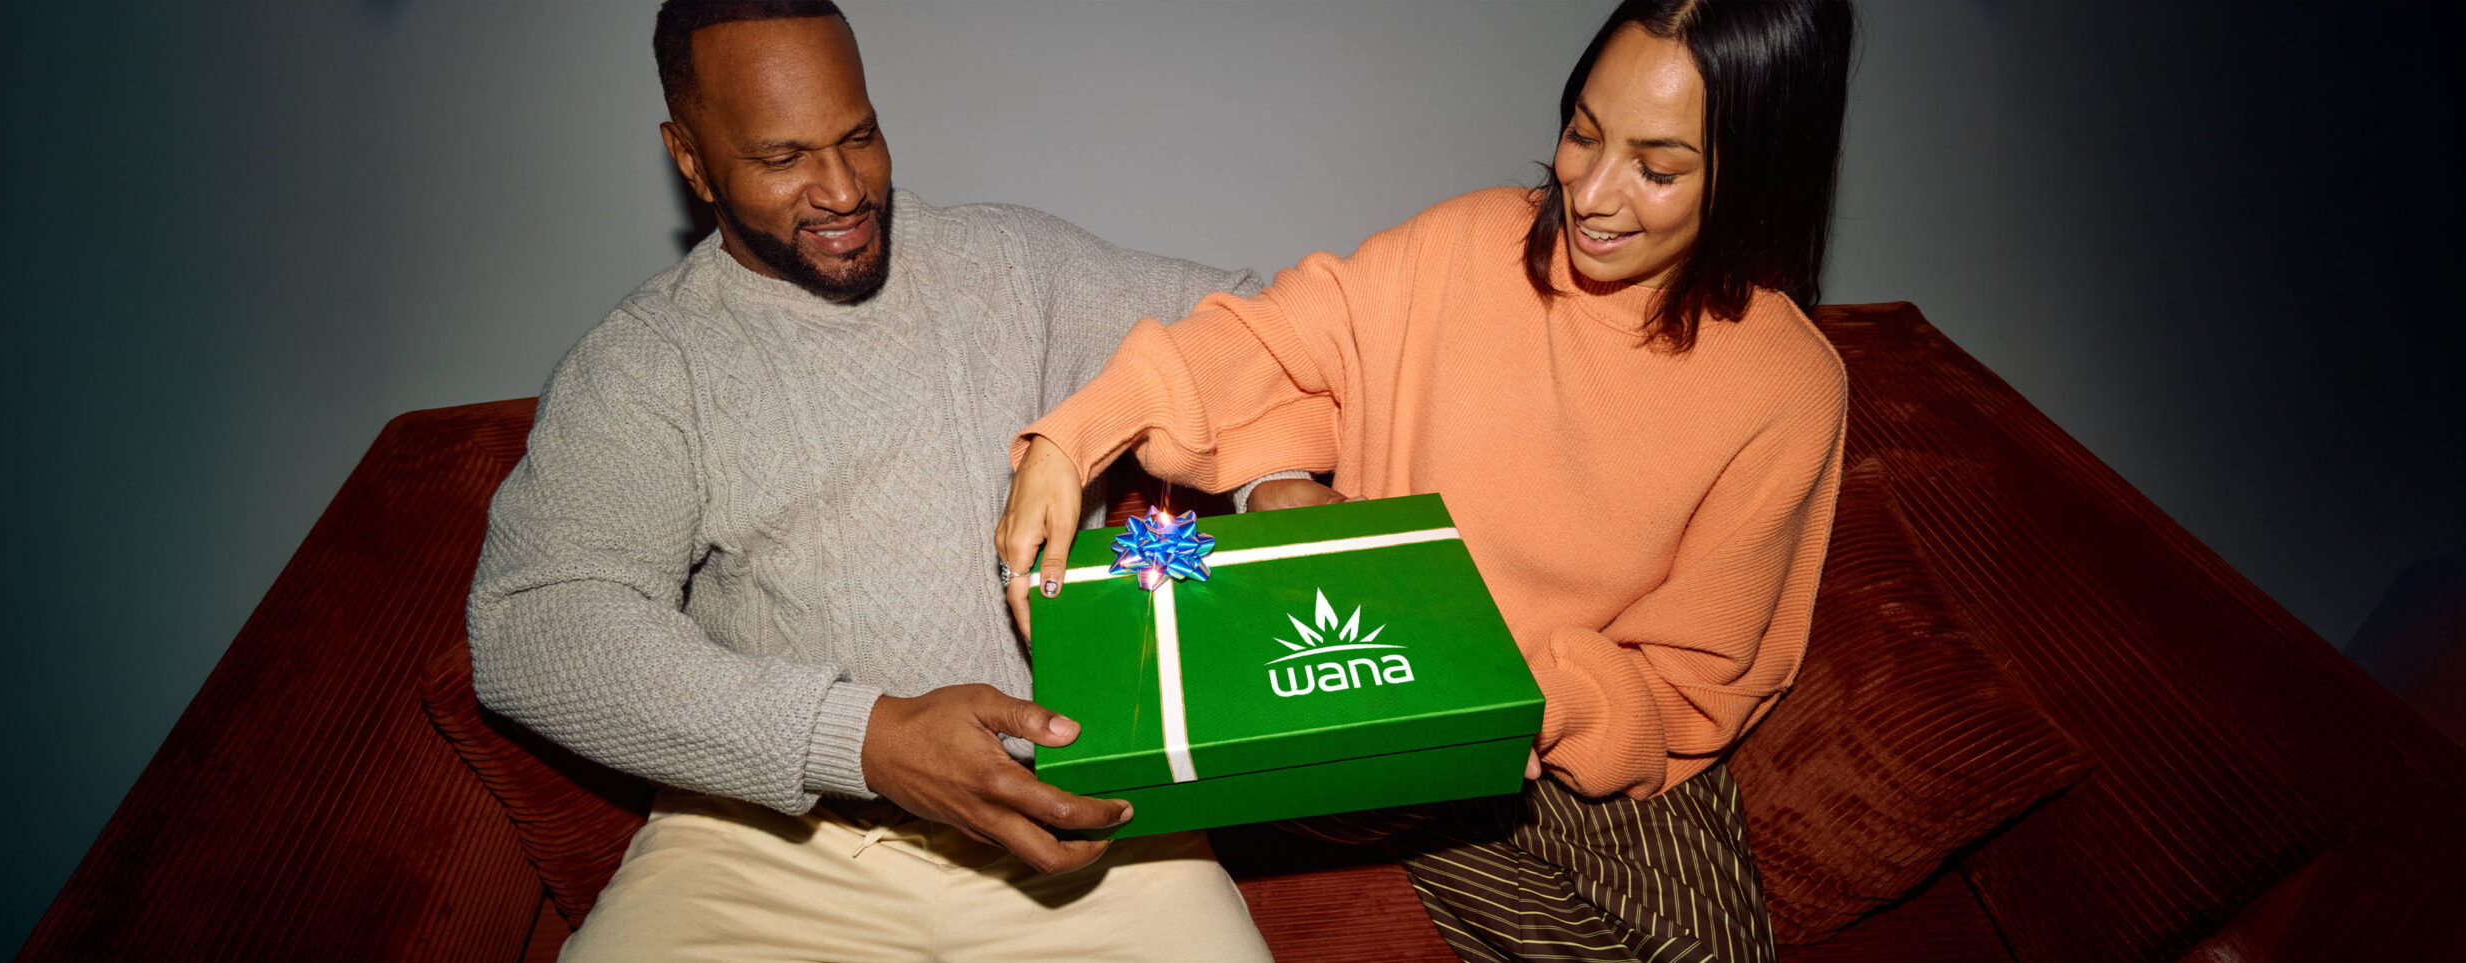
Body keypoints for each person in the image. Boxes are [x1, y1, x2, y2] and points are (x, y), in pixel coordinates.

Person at [995, 2, 1855, 960]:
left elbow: (1700, 672)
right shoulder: (1467, 242)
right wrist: (1071, 442)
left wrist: (1516, 702)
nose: (1594, 193)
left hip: (1574, 730)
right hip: (1366, 693)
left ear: (1755, 173)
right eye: (1582, 133)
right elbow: (1267, 339)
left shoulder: (1791, 385)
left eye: (1656, 169)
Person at [465, 2, 1277, 959]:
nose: (845, 189)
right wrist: (859, 738)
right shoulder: (646, 364)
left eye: (861, 135)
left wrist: (1272, 472)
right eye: (782, 158)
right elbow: (536, 625)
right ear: (689, 157)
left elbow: (1257, 325)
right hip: (764, 855)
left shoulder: (1011, 265)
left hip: (1080, 832)